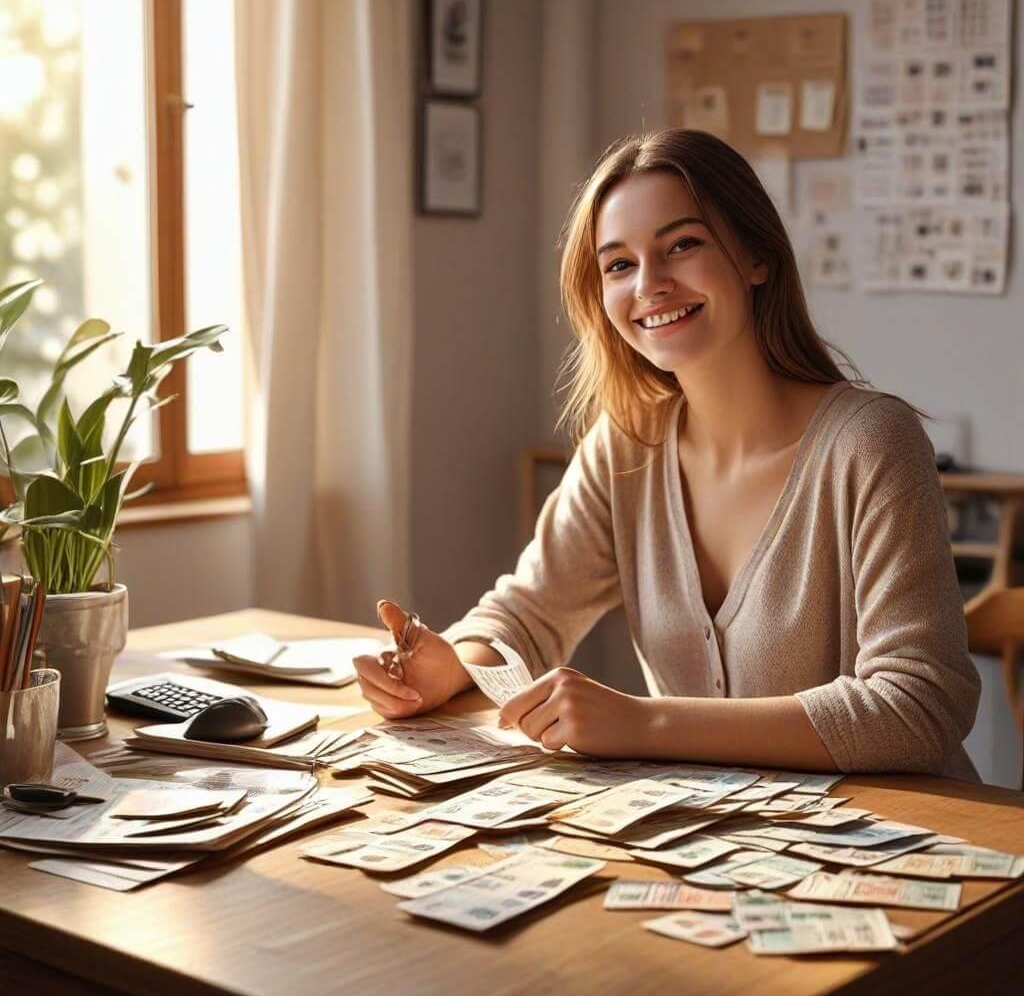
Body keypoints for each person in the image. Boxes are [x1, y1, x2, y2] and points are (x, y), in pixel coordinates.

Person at [354, 129, 981, 780]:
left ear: (757, 256)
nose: (650, 284)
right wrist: (452, 663)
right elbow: (528, 612)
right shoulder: (627, 445)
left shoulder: (873, 443)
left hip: (902, 847)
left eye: (682, 245)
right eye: (619, 264)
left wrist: (646, 722)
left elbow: (920, 706)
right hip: (719, 848)